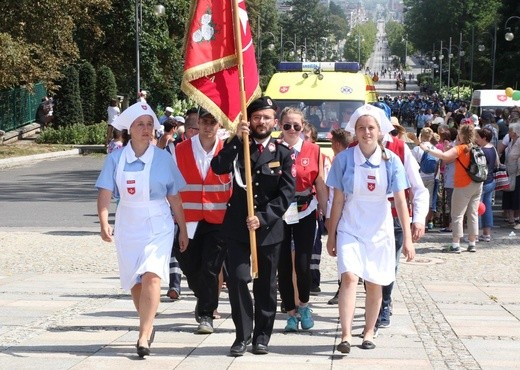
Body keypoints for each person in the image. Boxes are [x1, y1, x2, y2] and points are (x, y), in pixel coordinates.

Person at [95, 102, 188, 358]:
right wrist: (104, 222)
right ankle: (148, 322)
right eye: (141, 125)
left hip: (158, 221)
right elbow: (104, 193)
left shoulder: (163, 158)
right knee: (134, 280)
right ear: (130, 129)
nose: (146, 129)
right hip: (128, 221)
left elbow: (175, 197)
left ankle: (143, 334)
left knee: (152, 275)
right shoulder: (115, 158)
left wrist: (182, 228)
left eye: (150, 124)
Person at [211, 96, 295, 356]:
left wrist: (264, 216)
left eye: (266, 117)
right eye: (257, 117)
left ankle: (262, 336)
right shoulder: (237, 147)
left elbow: (286, 193)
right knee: (237, 279)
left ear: (275, 121)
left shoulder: (282, 153)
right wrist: (237, 139)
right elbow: (218, 167)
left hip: (268, 229)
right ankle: (242, 334)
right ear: (249, 120)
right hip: (237, 227)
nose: (261, 122)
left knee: (266, 284)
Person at [326, 104, 414, 353]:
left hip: (380, 227)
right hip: (351, 226)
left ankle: (368, 331)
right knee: (350, 277)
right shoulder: (343, 159)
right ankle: (345, 335)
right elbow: (338, 201)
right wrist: (331, 235)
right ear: (355, 131)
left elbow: (400, 200)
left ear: (380, 131)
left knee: (375, 282)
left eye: (371, 128)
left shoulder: (391, 160)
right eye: (361, 128)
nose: (366, 132)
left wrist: (407, 239)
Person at [172, 108, 232, 334]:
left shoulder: (227, 149)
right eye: (204, 121)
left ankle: (206, 314)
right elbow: (173, 185)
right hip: (189, 219)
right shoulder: (180, 149)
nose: (208, 127)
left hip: (218, 219)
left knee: (210, 268)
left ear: (219, 125)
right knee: (189, 265)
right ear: (197, 122)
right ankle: (203, 297)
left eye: (212, 122)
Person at [277, 108, 328, 333]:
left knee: (303, 264)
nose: (292, 130)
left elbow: (320, 183)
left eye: (296, 126)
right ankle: (290, 312)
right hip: (278, 211)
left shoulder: (314, 150)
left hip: (305, 209)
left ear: (303, 127)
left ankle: (304, 305)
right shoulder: (273, 150)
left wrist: (326, 213)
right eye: (287, 125)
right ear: (280, 126)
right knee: (283, 265)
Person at [420, 124, 482, 253]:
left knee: (457, 214)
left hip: (463, 184)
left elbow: (443, 156)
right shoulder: (476, 148)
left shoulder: (461, 148)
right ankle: (472, 242)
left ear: (462, 135)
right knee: (473, 213)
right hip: (477, 183)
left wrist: (427, 149)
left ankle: (455, 244)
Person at [475, 128, 497, 241]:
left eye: (478, 137)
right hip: (491, 180)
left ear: (484, 138)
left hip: (482, 182)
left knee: (477, 208)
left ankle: (475, 234)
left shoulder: (481, 151)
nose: (476, 139)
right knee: (487, 207)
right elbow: (497, 163)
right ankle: (487, 233)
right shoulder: (492, 148)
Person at [502, 123, 520, 227]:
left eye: (510, 131)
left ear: (515, 132)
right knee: (508, 194)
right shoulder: (510, 141)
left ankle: (516, 218)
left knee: (516, 196)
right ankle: (511, 218)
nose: (508, 132)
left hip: (517, 173)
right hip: (509, 171)